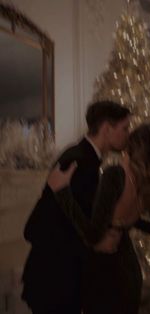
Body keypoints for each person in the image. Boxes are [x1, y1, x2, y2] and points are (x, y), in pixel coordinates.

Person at [48, 121, 150, 314]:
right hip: (129, 271)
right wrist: (122, 224)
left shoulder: (116, 175)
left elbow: (93, 235)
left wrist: (62, 192)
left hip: (105, 273)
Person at [21, 101, 131, 314]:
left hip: (59, 279)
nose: (128, 134)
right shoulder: (79, 161)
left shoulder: (84, 157)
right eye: (124, 128)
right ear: (107, 129)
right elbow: (50, 224)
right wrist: (98, 241)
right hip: (55, 281)